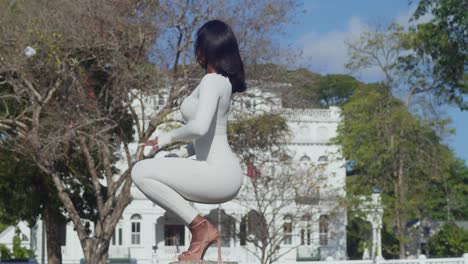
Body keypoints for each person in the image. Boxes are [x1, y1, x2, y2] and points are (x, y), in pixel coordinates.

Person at [131, 19, 246, 262]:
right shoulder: (222, 83)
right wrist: (181, 155)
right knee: (151, 173)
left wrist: (161, 141)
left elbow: (199, 127)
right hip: (222, 171)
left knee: (140, 172)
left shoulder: (212, 81)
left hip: (217, 172)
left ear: (206, 49)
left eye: (199, 46)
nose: (197, 52)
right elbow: (207, 136)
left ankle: (200, 229)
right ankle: (199, 238)